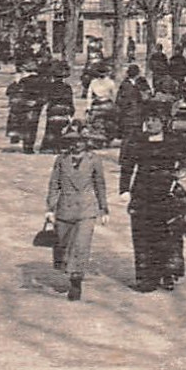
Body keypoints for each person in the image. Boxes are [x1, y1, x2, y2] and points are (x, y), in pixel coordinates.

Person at [120, 104, 186, 292]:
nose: (151, 123)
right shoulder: (137, 141)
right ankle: (146, 278)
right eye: (148, 120)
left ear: (164, 122)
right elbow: (127, 166)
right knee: (142, 235)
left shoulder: (175, 140)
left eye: (155, 120)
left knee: (168, 233)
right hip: (142, 191)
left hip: (166, 191)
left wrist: (180, 173)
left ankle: (167, 274)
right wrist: (124, 189)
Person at [45, 121, 109, 301]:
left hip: (86, 209)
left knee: (81, 245)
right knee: (63, 245)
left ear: (87, 141)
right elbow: (54, 184)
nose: (77, 143)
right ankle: (68, 270)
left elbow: (100, 185)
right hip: (64, 208)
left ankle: (76, 281)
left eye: (81, 140)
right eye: (73, 140)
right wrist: (50, 208)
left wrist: (104, 208)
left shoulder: (94, 159)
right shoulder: (61, 159)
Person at [6, 61, 46, 149]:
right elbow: (45, 95)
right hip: (36, 106)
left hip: (25, 106)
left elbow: (13, 92)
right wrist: (39, 102)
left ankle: (26, 144)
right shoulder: (43, 81)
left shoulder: (23, 81)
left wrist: (15, 83)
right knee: (33, 126)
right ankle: (30, 145)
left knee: (26, 125)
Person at [39, 61, 75, 154]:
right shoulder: (67, 87)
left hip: (53, 110)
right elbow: (70, 101)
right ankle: (60, 146)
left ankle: (50, 147)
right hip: (64, 110)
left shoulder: (49, 86)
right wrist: (71, 111)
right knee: (61, 129)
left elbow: (45, 99)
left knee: (51, 129)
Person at [114, 64, 150, 143]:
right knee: (130, 136)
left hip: (136, 114)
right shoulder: (126, 84)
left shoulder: (139, 82)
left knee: (134, 136)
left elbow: (119, 101)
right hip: (131, 114)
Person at [85, 62, 119, 145]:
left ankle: (96, 136)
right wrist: (115, 105)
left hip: (96, 104)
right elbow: (114, 95)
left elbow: (89, 95)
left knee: (92, 120)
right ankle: (109, 136)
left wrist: (88, 107)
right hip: (107, 104)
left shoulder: (93, 82)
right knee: (112, 119)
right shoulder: (110, 82)